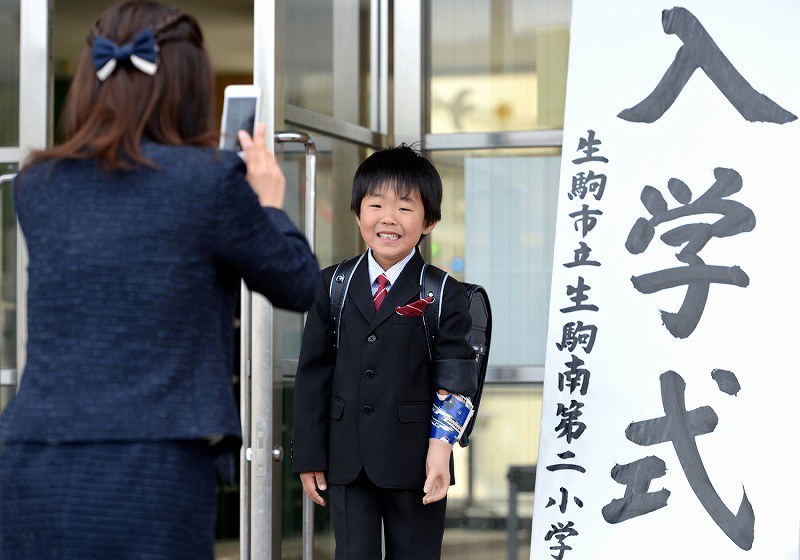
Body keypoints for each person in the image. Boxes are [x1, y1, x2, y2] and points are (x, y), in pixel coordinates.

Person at [0, 1, 320, 559]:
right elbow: (301, 284)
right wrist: (267, 201)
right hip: (157, 463)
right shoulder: (209, 182)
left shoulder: (37, 183)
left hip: (35, 453)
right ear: (188, 85)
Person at [292, 145, 478, 560]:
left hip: (416, 459)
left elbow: (455, 380)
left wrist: (441, 452)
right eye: (376, 204)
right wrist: (309, 454)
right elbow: (313, 374)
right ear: (358, 213)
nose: (388, 218)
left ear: (429, 220)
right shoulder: (332, 285)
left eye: (405, 208)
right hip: (347, 458)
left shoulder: (443, 292)